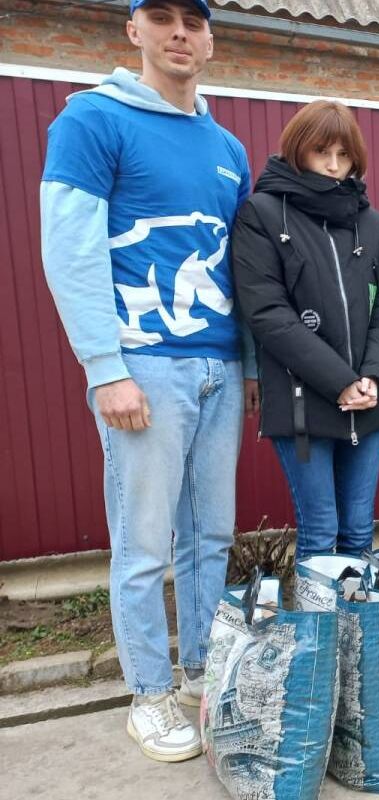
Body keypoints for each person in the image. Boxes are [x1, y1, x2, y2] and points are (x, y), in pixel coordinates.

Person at [39, 0, 254, 762]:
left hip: (221, 366)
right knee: (144, 541)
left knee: (212, 534)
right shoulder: (93, 122)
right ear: (133, 30)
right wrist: (106, 369)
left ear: (210, 38)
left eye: (193, 20)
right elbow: (69, 250)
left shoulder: (227, 146)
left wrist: (250, 365)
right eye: (159, 16)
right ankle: (148, 694)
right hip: (145, 367)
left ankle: (200, 671)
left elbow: (241, 268)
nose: (179, 32)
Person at [232, 100, 379, 562]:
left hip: (368, 397)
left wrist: (372, 375)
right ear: (297, 150)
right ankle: (322, 635)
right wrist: (339, 381)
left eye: (344, 155)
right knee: (321, 529)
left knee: (359, 529)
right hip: (303, 400)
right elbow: (267, 313)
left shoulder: (372, 222)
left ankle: (359, 633)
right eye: (322, 152)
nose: (333, 165)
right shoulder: (262, 215)